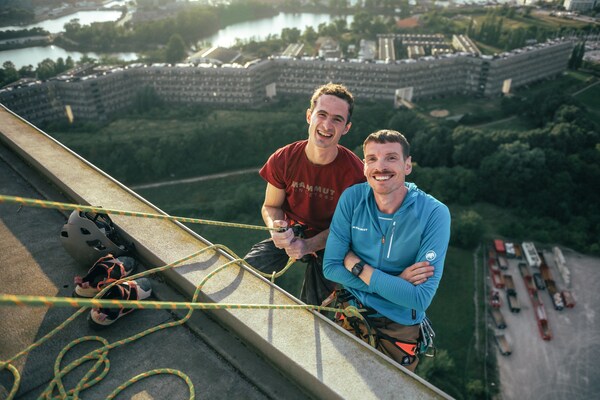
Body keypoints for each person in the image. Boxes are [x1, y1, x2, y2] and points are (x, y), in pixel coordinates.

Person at [323, 129, 451, 371]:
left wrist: (356, 266)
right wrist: (394, 282)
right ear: (364, 167)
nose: (380, 167)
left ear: (408, 165)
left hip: (399, 325)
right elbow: (330, 268)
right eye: (372, 159)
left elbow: (419, 298)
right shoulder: (352, 199)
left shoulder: (434, 213)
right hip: (353, 309)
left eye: (391, 158)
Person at [244, 83, 366, 306]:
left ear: (346, 127)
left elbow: (347, 229)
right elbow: (271, 206)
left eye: (337, 119)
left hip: (333, 241)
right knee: (246, 270)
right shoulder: (284, 158)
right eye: (322, 114)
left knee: (316, 307)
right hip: (292, 233)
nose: (327, 125)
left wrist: (308, 246)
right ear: (309, 116)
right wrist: (277, 228)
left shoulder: (356, 175)